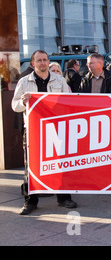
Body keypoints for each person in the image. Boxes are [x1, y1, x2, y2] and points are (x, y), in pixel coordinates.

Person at [12, 50, 77, 215]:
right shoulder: (24, 82)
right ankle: (30, 202)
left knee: (62, 164)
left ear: (49, 62)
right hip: (33, 130)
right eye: (38, 60)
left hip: (56, 129)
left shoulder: (59, 80)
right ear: (33, 63)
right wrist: (23, 101)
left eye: (45, 60)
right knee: (30, 166)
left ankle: (64, 198)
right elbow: (14, 106)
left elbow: (68, 102)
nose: (42, 63)